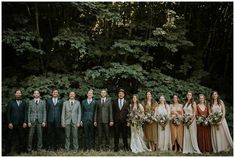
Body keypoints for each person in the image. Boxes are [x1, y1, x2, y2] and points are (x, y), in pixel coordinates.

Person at [6, 89, 28, 154]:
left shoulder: (24, 102)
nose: (18, 94)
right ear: (15, 94)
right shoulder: (11, 102)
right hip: (12, 123)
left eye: (19, 93)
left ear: (21, 94)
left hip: (21, 123)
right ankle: (7, 151)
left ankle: (21, 151)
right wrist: (9, 122)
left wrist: (25, 122)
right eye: (17, 93)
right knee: (9, 137)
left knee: (21, 138)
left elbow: (26, 113)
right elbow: (8, 113)